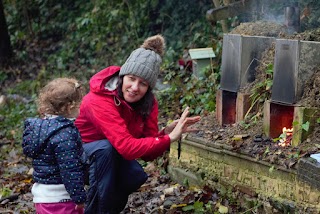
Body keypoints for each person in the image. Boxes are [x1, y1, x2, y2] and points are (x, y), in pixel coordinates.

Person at [75, 34, 201, 214]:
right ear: (122, 76)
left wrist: (166, 134)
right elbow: (126, 147)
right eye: (131, 79)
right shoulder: (98, 100)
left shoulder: (148, 103)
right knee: (106, 151)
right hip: (75, 160)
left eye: (143, 83)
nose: (135, 87)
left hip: (108, 157)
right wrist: (169, 138)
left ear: (149, 88)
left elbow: (148, 154)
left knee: (134, 174)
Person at [22, 78, 87, 214]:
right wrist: (79, 198)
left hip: (42, 197)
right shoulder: (65, 134)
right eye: (80, 104)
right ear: (70, 106)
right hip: (62, 198)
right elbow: (70, 169)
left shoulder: (40, 129)